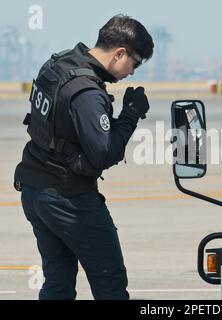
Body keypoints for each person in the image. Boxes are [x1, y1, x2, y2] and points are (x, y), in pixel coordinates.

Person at [13, 14, 154, 300]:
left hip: (34, 190)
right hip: (69, 198)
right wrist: (130, 114)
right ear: (119, 53)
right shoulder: (88, 92)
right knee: (110, 280)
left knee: (58, 282)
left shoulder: (57, 64)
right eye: (134, 64)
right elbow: (103, 154)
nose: (132, 72)